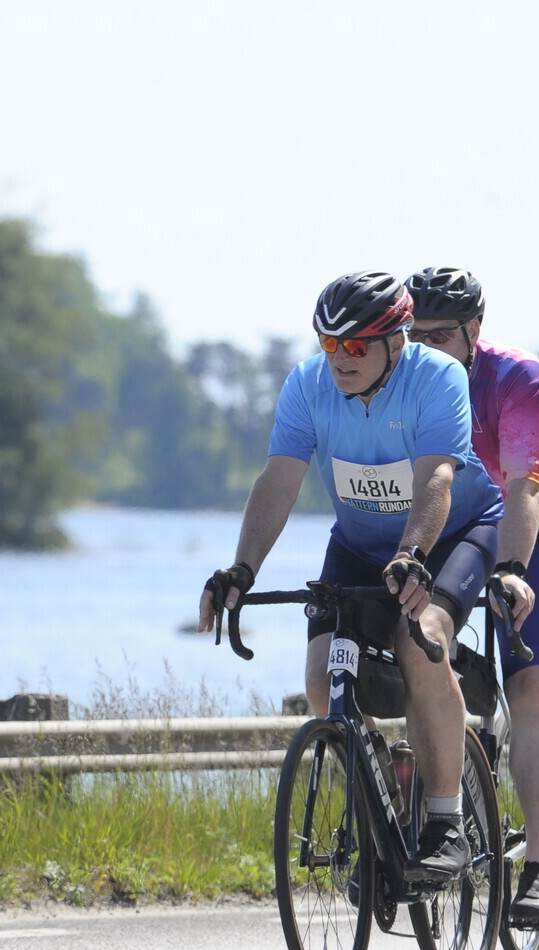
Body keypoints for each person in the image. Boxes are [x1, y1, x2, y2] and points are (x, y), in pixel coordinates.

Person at [198, 271, 505, 885]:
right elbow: (278, 482)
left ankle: (446, 823)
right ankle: (384, 804)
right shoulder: (308, 384)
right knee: (321, 678)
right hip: (360, 548)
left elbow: (436, 479)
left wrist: (412, 554)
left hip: (450, 537)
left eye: (356, 345)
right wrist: (242, 569)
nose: (340, 358)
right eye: (329, 343)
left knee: (421, 643)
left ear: (396, 341)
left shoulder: (438, 377)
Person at [407, 267, 539, 922]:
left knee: (531, 685)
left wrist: (511, 569)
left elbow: (524, 484)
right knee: (415, 659)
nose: (425, 347)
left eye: (440, 335)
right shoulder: (406, 380)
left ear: (474, 330)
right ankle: (421, 825)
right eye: (414, 335)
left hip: (533, 535)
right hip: (454, 533)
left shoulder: (516, 376)